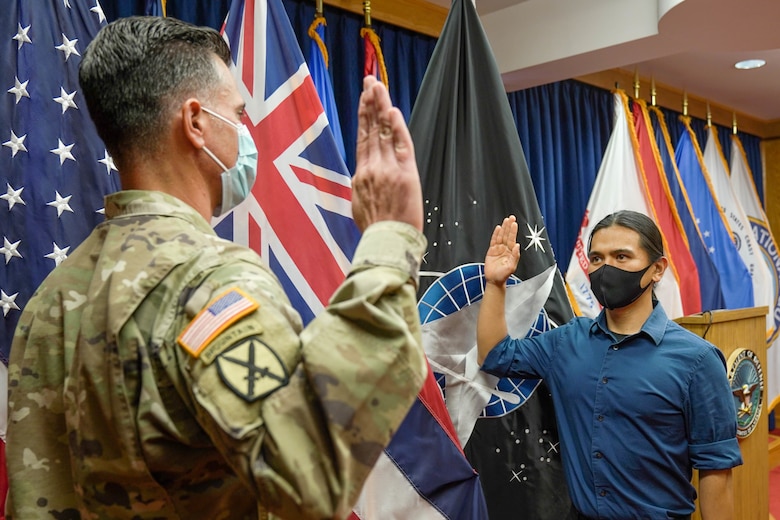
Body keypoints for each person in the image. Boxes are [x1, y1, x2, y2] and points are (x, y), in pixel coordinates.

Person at [6, 16, 428, 520]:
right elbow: (309, 474)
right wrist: (389, 240)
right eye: (237, 114)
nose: (247, 133)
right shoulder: (209, 281)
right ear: (196, 123)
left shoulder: (49, 300)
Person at [477, 211, 742, 520]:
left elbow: (715, 472)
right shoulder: (566, 342)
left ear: (657, 269)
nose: (606, 269)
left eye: (621, 257)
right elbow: (495, 355)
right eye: (597, 258)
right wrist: (496, 284)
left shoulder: (697, 360)